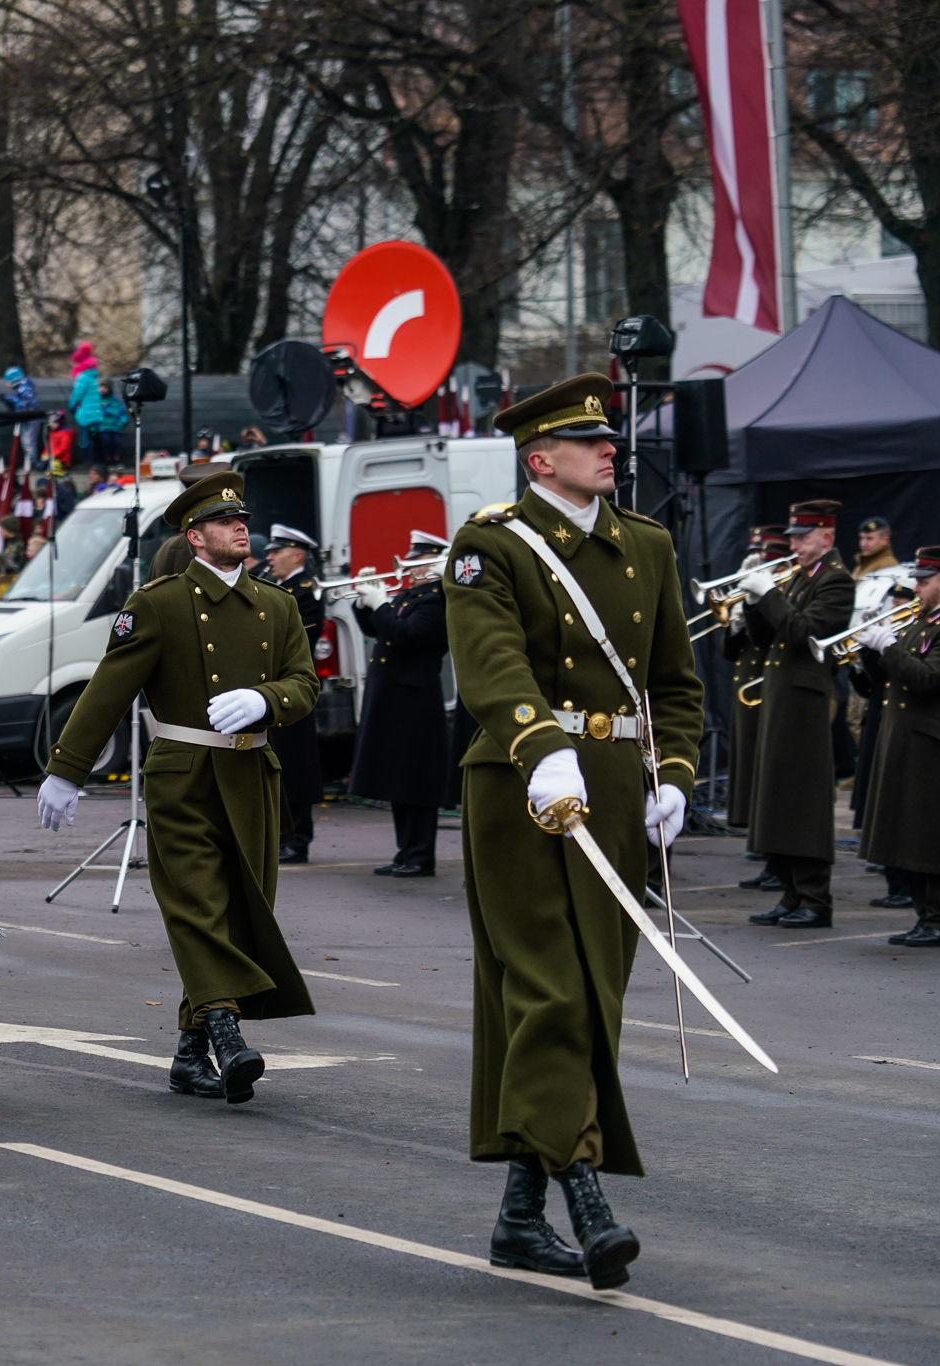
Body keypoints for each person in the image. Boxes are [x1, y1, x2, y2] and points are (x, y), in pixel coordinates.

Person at [446, 373, 702, 1291]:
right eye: (588, 440)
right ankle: (587, 1199)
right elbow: (490, 659)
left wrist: (671, 772)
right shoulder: (491, 545)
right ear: (539, 458)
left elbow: (674, 681)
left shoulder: (649, 545)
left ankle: (520, 1218)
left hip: (619, 794)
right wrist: (538, 741)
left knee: (591, 997)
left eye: (610, 439)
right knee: (550, 988)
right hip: (526, 788)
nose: (610, 450)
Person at [37, 471, 320, 1105]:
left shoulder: (276, 604)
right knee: (198, 907)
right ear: (195, 538)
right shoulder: (159, 603)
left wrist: (265, 700)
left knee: (244, 910)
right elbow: (109, 687)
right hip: (185, 774)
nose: (239, 528)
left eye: (241, 519)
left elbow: (306, 685)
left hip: (254, 775)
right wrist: (66, 767)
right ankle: (225, 1034)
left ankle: (188, 1057)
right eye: (224, 522)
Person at [735, 500, 856, 929]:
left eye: (803, 538)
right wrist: (752, 600)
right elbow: (766, 635)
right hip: (779, 696)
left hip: (805, 701)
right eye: (793, 538)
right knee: (778, 795)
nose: (795, 545)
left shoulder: (836, 581)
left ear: (826, 537)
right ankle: (790, 892)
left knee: (802, 798)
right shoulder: (801, 577)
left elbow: (804, 632)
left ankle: (815, 899)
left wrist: (768, 593)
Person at [346, 531, 451, 877]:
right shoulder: (410, 595)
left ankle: (420, 856)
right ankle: (405, 852)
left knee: (416, 781)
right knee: (397, 778)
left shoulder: (437, 600)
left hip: (415, 702)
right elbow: (378, 630)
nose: (412, 567)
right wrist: (363, 603)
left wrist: (381, 604)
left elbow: (407, 637)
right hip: (394, 699)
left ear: (435, 564)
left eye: (419, 561)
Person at [851, 548, 940, 946]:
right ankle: (925, 916)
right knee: (909, 833)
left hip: (928, 745)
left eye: (925, 580)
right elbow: (886, 683)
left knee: (926, 833)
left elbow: (925, 679)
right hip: (904, 740)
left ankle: (935, 917)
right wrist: (869, 654)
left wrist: (888, 645)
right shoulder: (920, 622)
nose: (917, 586)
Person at [260, 524, 326, 862]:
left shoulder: (306, 591)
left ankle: (298, 840)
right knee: (273, 764)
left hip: (293, 684)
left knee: (296, 766)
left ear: (297, 555)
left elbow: (298, 639)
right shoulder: (271, 585)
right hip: (267, 686)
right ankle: (277, 835)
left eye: (277, 551)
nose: (269, 557)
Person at [725, 527, 788, 875]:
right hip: (747, 686)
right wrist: (736, 623)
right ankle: (759, 842)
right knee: (749, 770)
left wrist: (760, 598)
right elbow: (729, 652)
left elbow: (781, 633)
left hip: (770, 690)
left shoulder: (782, 591)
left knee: (768, 777)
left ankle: (773, 857)